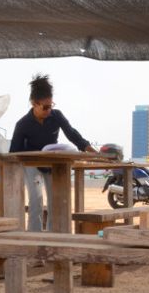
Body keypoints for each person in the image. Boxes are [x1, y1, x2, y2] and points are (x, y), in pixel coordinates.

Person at [9, 74, 98, 231]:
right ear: (34, 104)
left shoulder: (56, 116)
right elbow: (14, 152)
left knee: (55, 201)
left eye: (51, 105)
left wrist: (90, 150)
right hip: (31, 165)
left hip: (51, 163)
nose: (49, 110)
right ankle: (34, 237)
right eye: (45, 107)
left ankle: (53, 235)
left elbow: (72, 134)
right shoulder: (22, 124)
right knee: (36, 200)